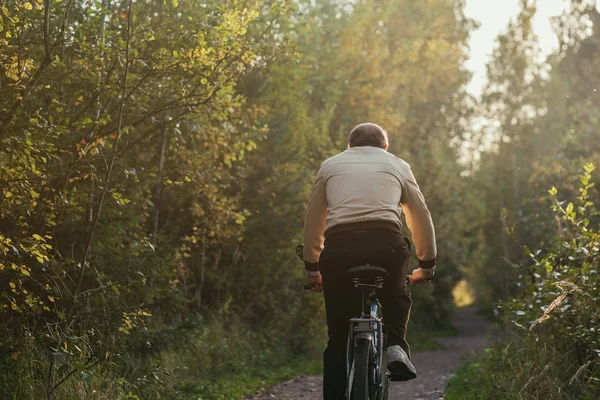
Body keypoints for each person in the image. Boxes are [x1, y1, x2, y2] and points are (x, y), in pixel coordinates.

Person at [302, 123, 437, 400]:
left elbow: (314, 219)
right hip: (385, 245)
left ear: (349, 146)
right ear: (384, 147)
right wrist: (426, 265)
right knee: (396, 293)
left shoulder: (330, 165)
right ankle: (397, 345)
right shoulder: (398, 165)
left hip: (340, 250)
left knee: (338, 336)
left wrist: (312, 268)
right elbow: (420, 216)